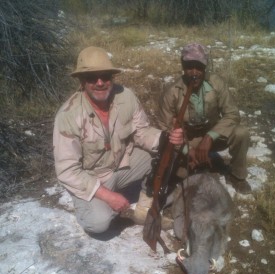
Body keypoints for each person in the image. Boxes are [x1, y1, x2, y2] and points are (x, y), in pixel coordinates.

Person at [53, 46, 183, 235]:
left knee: (165, 151)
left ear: (112, 78)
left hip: (121, 164)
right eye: (92, 77)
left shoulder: (126, 96)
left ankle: (144, 206)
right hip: (92, 178)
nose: (100, 83)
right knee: (98, 223)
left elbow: (141, 131)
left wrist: (165, 138)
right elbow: (67, 170)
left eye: (105, 76)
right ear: (81, 81)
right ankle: (104, 205)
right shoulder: (67, 116)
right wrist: (108, 196)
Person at [157, 43, 251, 194]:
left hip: (213, 136)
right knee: (180, 175)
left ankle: (237, 176)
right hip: (188, 140)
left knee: (241, 133)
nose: (194, 72)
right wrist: (188, 150)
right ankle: (195, 163)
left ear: (205, 67)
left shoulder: (216, 83)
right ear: (182, 66)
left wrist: (210, 137)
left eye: (199, 67)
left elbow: (232, 114)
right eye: (189, 67)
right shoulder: (171, 92)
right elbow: (164, 128)